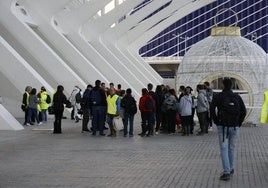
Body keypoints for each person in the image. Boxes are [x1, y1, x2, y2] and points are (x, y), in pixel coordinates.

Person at [210, 78, 246, 181]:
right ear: (231, 86)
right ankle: (230, 168)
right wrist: (239, 123)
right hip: (234, 126)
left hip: (223, 126)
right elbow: (243, 111)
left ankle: (226, 172)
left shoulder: (219, 96)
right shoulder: (237, 97)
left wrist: (216, 121)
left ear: (223, 85)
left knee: (224, 149)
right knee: (232, 148)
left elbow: (212, 109)